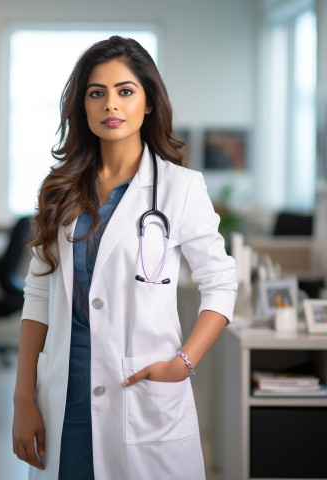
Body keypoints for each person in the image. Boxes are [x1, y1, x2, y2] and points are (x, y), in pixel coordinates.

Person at [12, 36, 237, 480]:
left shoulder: (181, 187)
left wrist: (184, 362)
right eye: (97, 93)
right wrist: (23, 398)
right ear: (83, 105)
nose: (110, 104)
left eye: (125, 91)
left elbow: (221, 284)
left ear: (149, 102)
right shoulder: (59, 188)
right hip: (67, 387)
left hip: (143, 387)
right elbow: (39, 293)